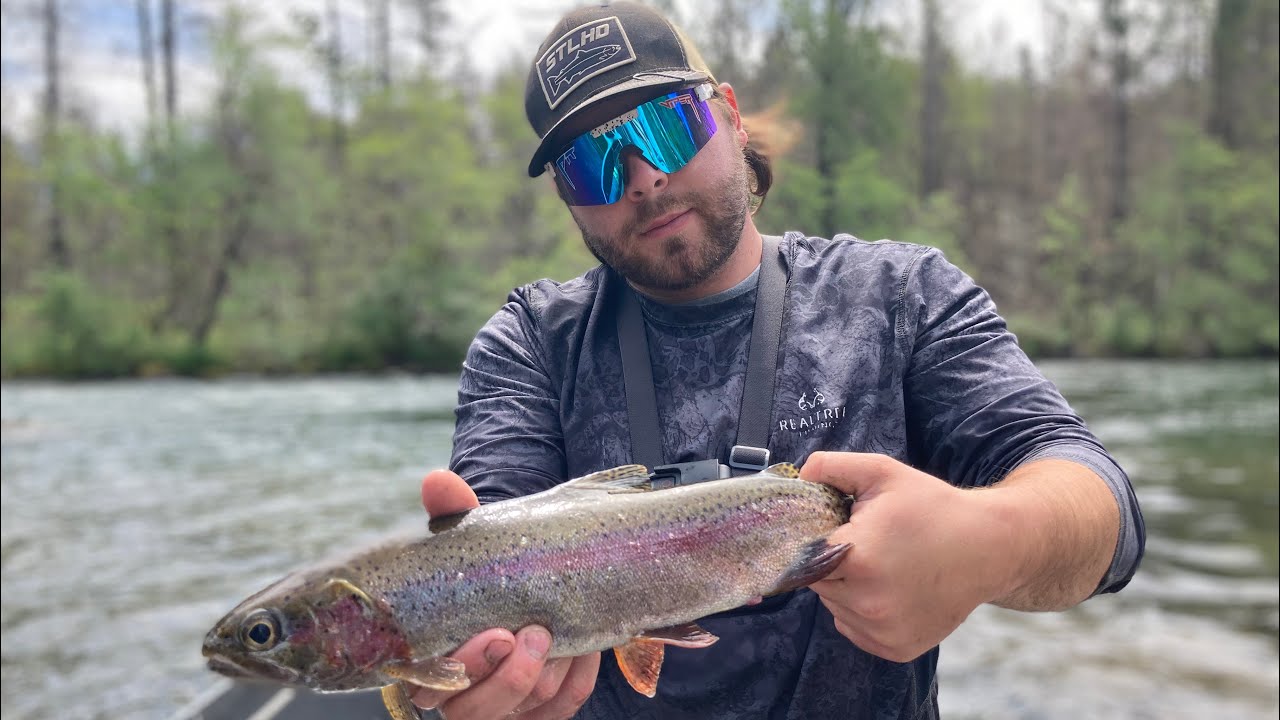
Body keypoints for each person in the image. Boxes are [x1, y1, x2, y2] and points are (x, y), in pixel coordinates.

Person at [411, 2, 1145, 719]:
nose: (641, 177)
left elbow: (1101, 507)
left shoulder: (900, 297)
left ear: (730, 116)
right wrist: (463, 692)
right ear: (569, 202)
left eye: (666, 128)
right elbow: (485, 551)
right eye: (589, 165)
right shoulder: (531, 343)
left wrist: (988, 545)